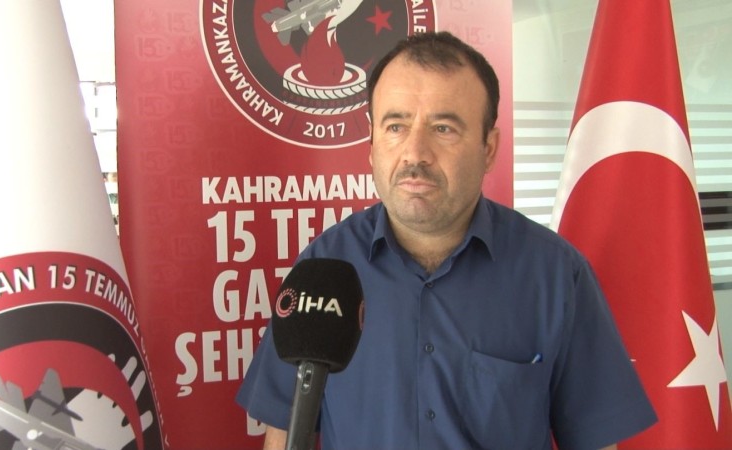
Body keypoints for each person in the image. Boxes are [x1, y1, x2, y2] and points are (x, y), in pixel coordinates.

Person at [237, 31, 657, 449]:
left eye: (443, 128)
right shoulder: (324, 268)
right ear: (372, 144)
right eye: (396, 126)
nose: (414, 153)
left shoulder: (557, 276)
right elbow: (283, 431)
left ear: (488, 148)